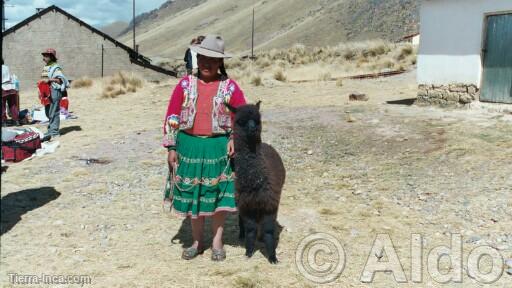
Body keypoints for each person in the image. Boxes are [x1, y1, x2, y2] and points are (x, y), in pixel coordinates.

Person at [163, 34, 246, 261]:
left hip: (218, 149)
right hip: (187, 148)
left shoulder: (230, 87)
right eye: (202, 58)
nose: (206, 63)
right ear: (197, 58)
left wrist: (235, 139)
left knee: (217, 196)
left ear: (220, 62)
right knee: (192, 197)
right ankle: (198, 242)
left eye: (212, 59)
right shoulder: (184, 85)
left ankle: (217, 242)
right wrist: (171, 147)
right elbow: (172, 115)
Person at [39, 48, 69, 139]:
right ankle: (50, 130)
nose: (44, 57)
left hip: (54, 91)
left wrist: (49, 80)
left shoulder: (56, 67)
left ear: (51, 57)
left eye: (46, 56)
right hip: (46, 92)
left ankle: (55, 132)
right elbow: (42, 81)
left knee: (54, 112)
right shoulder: (46, 67)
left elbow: (59, 80)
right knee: (48, 112)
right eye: (44, 55)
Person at [2, 59, 19, 126]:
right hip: (11, 87)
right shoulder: (6, 67)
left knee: (2, 106)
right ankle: (16, 121)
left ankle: (3, 121)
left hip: (3, 87)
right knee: (13, 105)